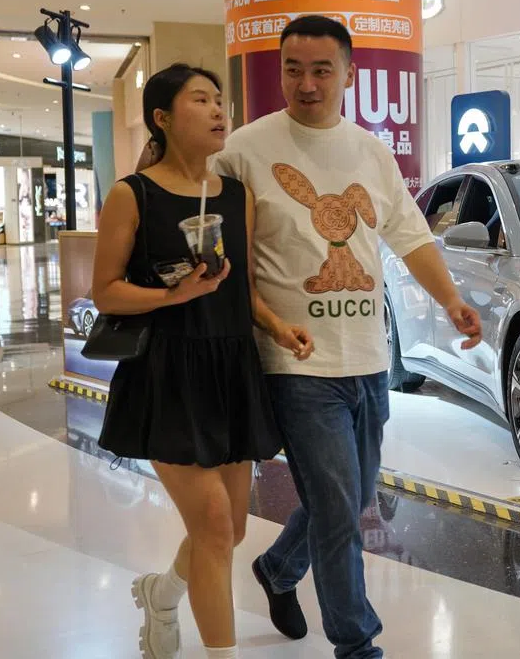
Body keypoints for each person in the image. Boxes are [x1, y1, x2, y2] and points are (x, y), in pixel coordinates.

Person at [214, 15, 482, 659]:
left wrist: (451, 300)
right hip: (294, 362)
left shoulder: (370, 151)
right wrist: (268, 324)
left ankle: (280, 569)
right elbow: (230, 261)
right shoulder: (245, 151)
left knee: (357, 494)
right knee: (338, 511)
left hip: (367, 356)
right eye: (292, 69)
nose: (305, 84)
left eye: (320, 69)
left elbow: (410, 235)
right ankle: (356, 644)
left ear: (348, 74)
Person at [92, 63, 314, 659]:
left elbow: (237, 288)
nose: (220, 111)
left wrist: (276, 325)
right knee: (216, 525)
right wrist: (173, 295)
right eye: (201, 100)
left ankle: (162, 594)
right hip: (166, 370)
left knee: (232, 529)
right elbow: (105, 291)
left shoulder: (234, 194)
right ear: (163, 118)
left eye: (220, 100)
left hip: (230, 367)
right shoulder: (131, 194)